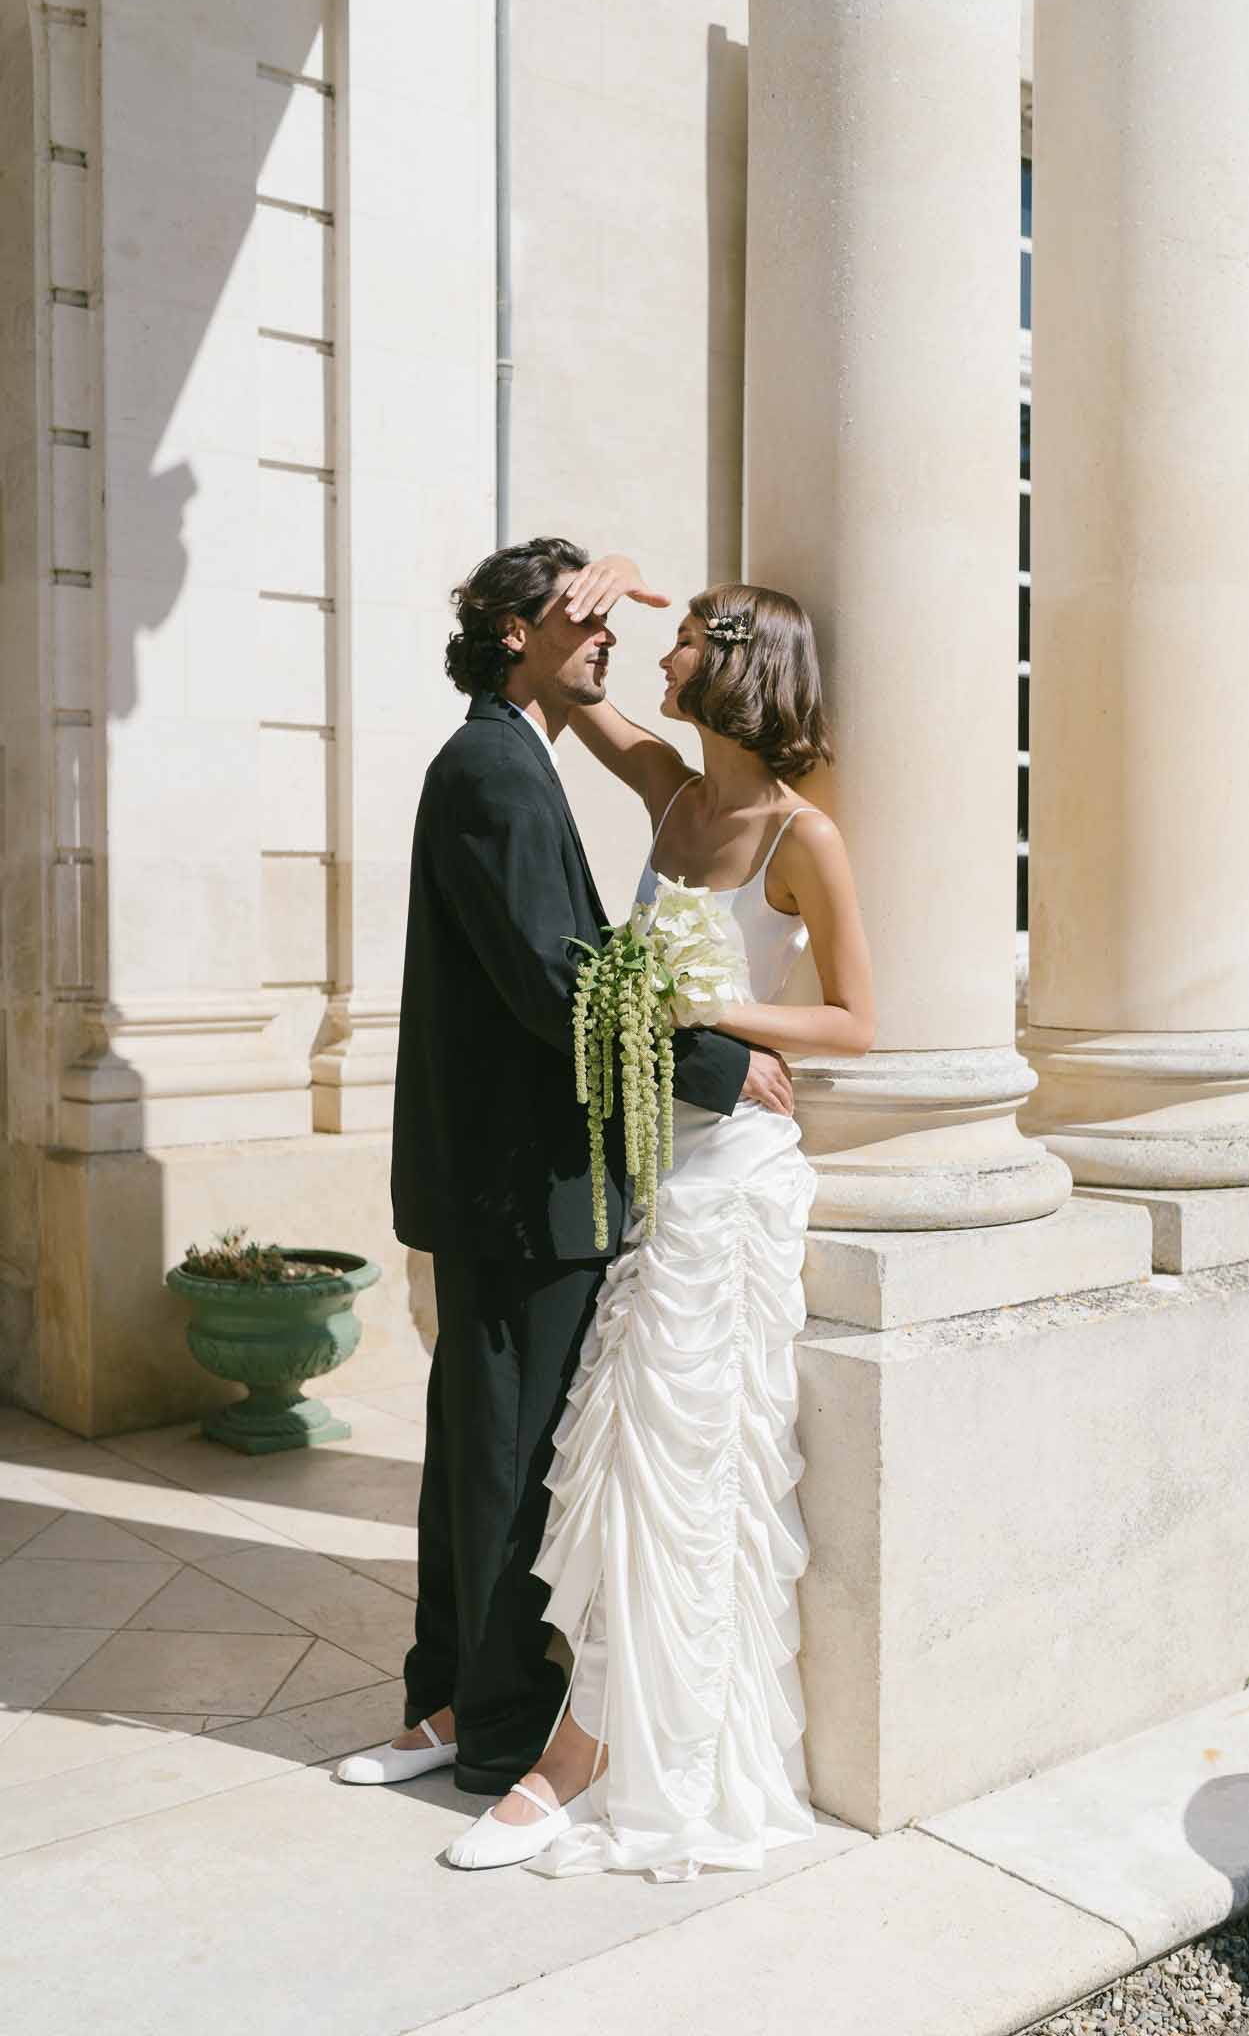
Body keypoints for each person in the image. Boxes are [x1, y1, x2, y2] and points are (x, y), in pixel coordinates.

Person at [336, 539, 793, 1797]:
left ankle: (438, 1703)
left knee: (474, 1453)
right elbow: (557, 982)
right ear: (511, 633)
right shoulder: (491, 767)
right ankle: (487, 1734)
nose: (606, 637)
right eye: (579, 620)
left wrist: (583, 604)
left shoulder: (509, 752)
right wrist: (716, 1067)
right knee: (503, 1465)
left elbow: (601, 741)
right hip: (523, 1186)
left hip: (503, 1180)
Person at [447, 560, 875, 1877]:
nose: (659, 653)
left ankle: (578, 1760)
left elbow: (857, 1019)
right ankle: (576, 1726)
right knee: (615, 1455)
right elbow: (568, 704)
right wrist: (592, 593)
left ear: (736, 667)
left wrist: (709, 1017)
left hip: (732, 1175)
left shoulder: (805, 836)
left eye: (681, 636)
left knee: (672, 1457)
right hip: (644, 1164)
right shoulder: (673, 793)